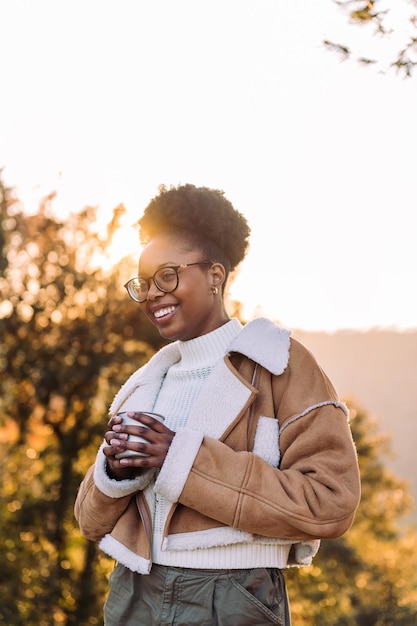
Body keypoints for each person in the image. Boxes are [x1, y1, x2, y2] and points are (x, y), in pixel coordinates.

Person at [74, 183, 361, 625]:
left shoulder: (282, 365)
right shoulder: (147, 383)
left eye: (167, 275)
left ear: (215, 274)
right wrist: (115, 474)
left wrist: (181, 459)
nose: (152, 293)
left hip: (231, 596)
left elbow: (331, 501)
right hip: (133, 592)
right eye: (143, 283)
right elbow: (89, 523)